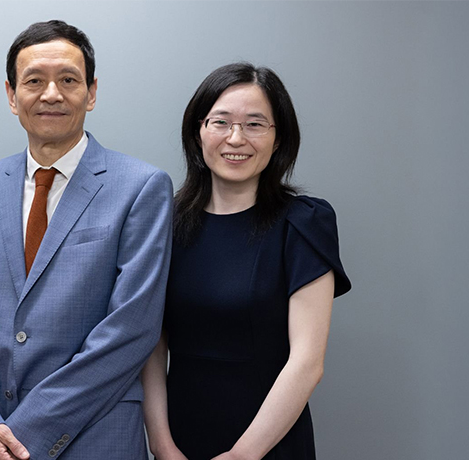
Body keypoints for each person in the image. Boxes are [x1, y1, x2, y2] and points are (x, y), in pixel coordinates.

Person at [0, 20, 172, 460]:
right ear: (11, 95)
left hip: (96, 435)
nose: (51, 94)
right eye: (34, 81)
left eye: (68, 80)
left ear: (92, 91)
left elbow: (132, 329)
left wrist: (25, 433)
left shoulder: (141, 187)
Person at [141, 62, 352, 460]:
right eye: (220, 122)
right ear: (198, 131)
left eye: (255, 124)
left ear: (278, 139)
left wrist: (242, 455)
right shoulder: (161, 222)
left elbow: (307, 361)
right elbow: (151, 347)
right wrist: (163, 446)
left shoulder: (304, 222)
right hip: (180, 438)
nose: (235, 138)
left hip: (270, 442)